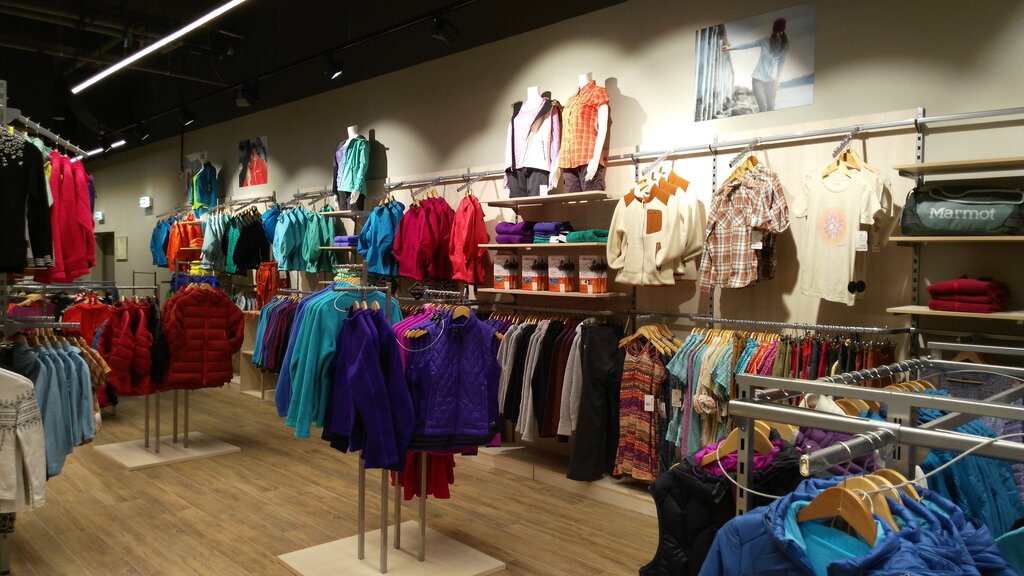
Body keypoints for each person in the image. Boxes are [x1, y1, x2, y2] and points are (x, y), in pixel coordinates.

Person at [722, 17, 789, 113]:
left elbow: (781, 65)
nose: (777, 34)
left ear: (782, 31)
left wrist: (777, 82)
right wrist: (730, 48)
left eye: (779, 32)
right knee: (763, 107)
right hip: (758, 79)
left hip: (771, 81)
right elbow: (748, 44)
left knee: (771, 107)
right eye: (775, 32)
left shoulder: (784, 47)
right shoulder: (765, 40)